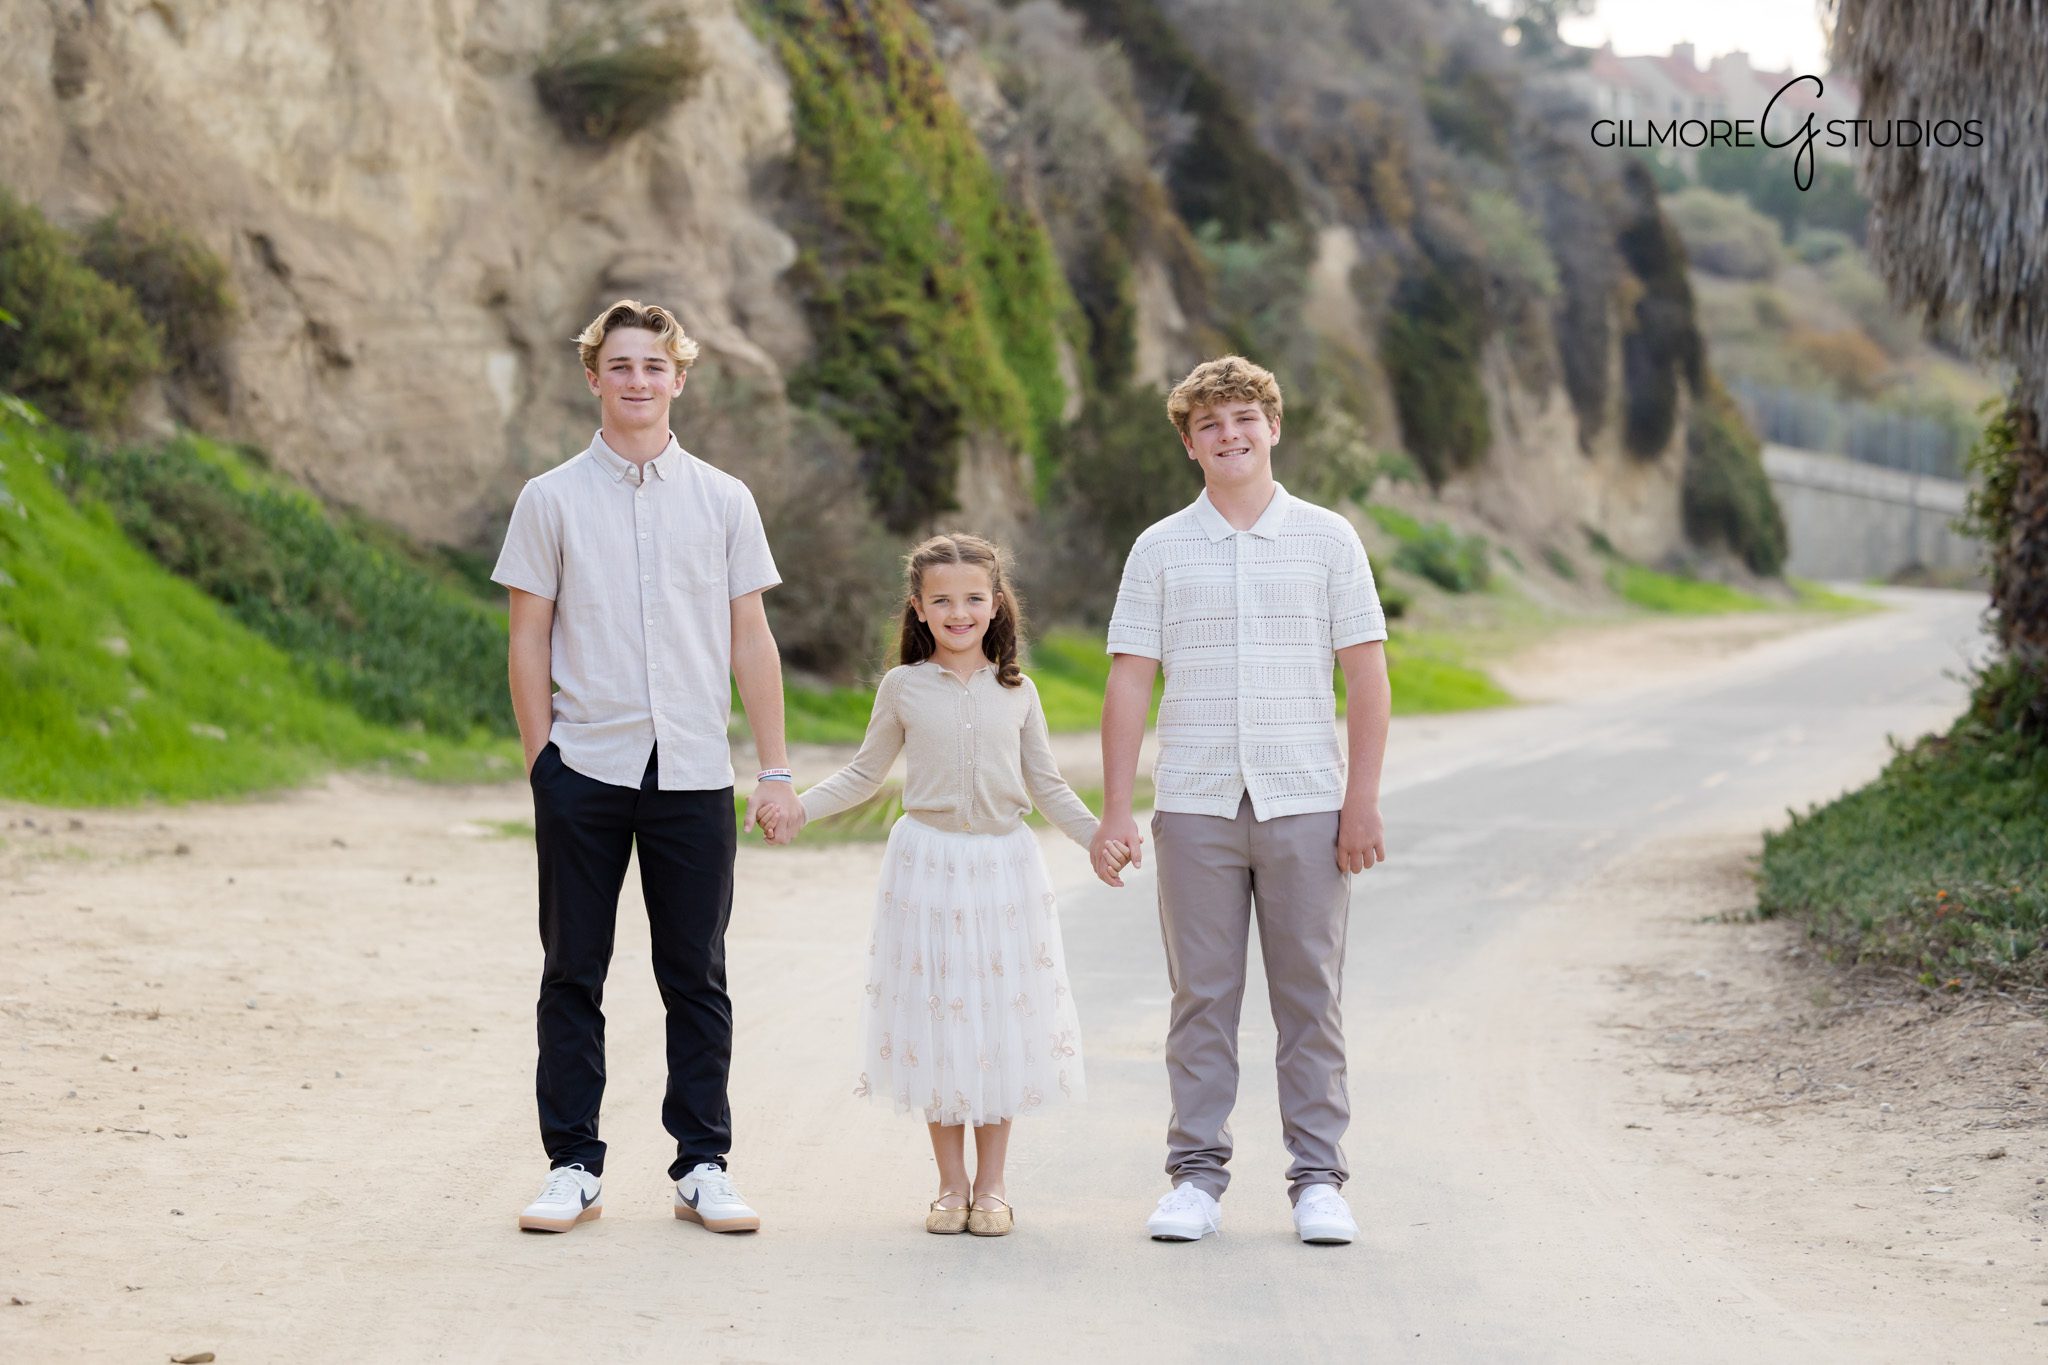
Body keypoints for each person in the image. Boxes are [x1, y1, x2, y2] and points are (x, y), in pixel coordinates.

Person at [492, 299, 807, 1236]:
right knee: (572, 972)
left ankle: (703, 1162)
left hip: (696, 775)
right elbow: (527, 639)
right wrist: (542, 762)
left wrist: (777, 768)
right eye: (620, 365)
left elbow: (751, 639)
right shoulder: (549, 498)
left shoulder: (724, 499)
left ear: (680, 377)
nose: (638, 380)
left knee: (696, 975)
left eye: (654, 365)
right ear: (594, 377)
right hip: (583, 767)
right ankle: (571, 1165)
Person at [1092, 355, 1391, 1246]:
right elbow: (1128, 685)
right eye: (1211, 423)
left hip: (1306, 800)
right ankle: (1195, 1177)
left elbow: (1367, 681)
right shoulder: (1159, 547)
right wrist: (1116, 809)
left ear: (1273, 426)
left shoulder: (1330, 538)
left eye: (1245, 418)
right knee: (1202, 996)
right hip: (1194, 806)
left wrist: (1361, 801)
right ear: (1190, 443)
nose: (1231, 434)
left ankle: (1318, 1179)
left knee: (1309, 996)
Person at [768, 534, 1126, 1236]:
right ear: (919, 609)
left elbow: (1047, 784)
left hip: (1003, 868)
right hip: (925, 867)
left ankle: (992, 1186)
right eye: (942, 600)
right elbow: (865, 773)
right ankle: (949, 1184)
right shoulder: (902, 687)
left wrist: (1097, 839)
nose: (958, 611)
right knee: (940, 1018)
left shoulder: (1018, 691)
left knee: (996, 1019)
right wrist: (799, 805)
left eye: (972, 598)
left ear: (995, 605)